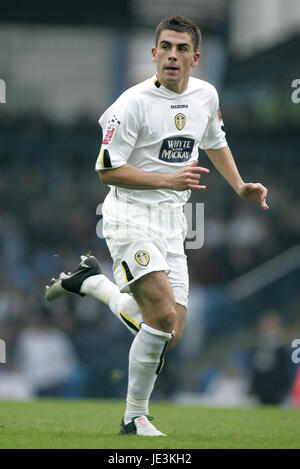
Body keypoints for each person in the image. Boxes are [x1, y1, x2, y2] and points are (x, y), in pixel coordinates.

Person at [45, 15, 269, 436]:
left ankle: (92, 282)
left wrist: (239, 186)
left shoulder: (205, 95)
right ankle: (135, 416)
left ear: (195, 58)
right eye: (165, 46)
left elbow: (215, 139)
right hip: (129, 217)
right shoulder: (131, 104)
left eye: (181, 48)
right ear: (153, 53)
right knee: (162, 317)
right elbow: (107, 171)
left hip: (173, 223)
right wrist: (167, 179)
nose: (172, 55)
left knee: (170, 331)